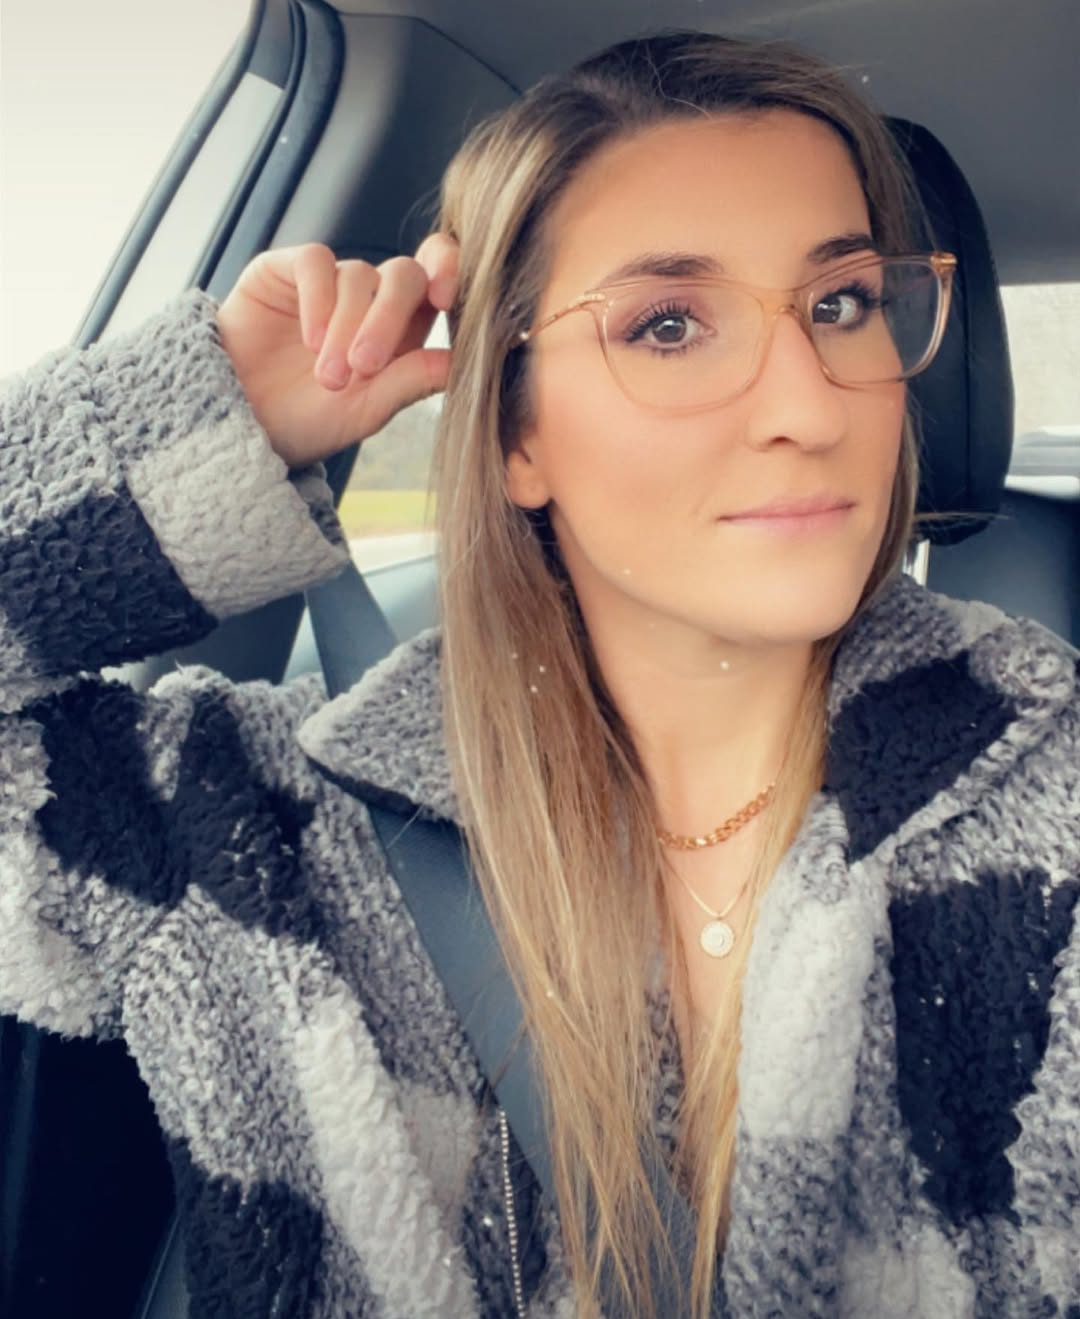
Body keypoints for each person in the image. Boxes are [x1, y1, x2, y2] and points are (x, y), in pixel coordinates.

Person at [1, 27, 1078, 1319]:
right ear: (516, 435)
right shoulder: (259, 835)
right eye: (669, 324)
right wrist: (197, 420)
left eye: (841, 303)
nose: (811, 405)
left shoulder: (1050, 813)